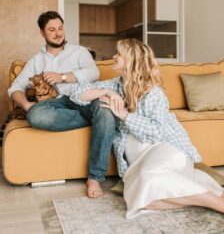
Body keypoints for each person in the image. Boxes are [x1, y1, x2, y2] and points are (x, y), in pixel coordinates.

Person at [70, 38, 224, 218]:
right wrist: (107, 92)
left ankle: (218, 204)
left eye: (119, 54)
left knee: (148, 178)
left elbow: (156, 133)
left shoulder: (153, 92)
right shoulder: (115, 85)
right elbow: (76, 93)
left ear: (131, 61)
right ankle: (201, 194)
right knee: (137, 198)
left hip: (164, 151)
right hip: (136, 164)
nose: (114, 56)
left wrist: (125, 116)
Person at [8, 11, 116, 198]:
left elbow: (94, 73)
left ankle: (95, 177)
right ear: (42, 33)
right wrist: (26, 105)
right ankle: (93, 120)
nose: (58, 33)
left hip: (85, 97)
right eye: (52, 30)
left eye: (60, 28)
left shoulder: (79, 52)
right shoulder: (36, 61)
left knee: (104, 111)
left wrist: (63, 77)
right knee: (35, 116)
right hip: (57, 104)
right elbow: (15, 87)